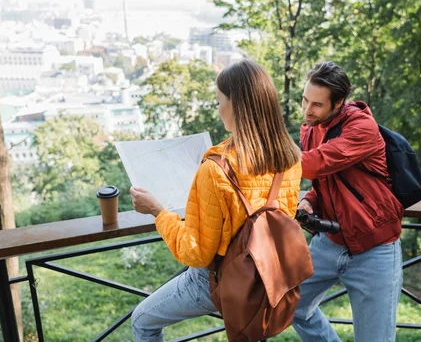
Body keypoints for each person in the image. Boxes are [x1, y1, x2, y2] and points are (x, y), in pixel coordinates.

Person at [129, 59, 302, 342]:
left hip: (222, 279)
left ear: (237, 106)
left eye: (220, 100)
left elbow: (196, 253)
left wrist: (157, 211)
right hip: (268, 274)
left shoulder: (216, 168)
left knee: (142, 320)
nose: (219, 107)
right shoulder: (290, 156)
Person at [292, 62, 404, 342]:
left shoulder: (361, 127)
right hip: (328, 242)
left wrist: (259, 150)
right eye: (305, 100)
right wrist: (309, 200)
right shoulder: (311, 127)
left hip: (374, 250)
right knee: (290, 305)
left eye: (317, 104)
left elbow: (317, 163)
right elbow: (324, 181)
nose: (308, 110)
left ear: (339, 103)